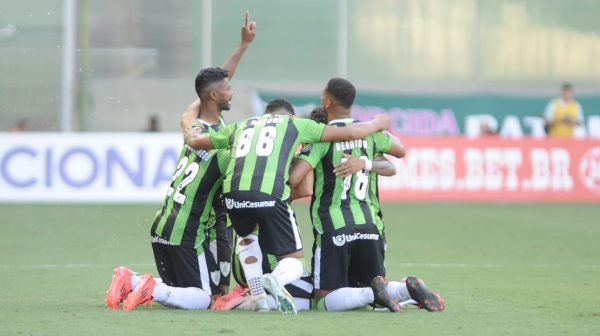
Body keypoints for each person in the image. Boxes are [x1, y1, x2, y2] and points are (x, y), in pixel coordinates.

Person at [182, 93, 391, 314]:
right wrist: (376, 123)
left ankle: (257, 294)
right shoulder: (296, 125)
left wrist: (189, 133)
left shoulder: (243, 125)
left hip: (233, 195)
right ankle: (272, 281)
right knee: (297, 266)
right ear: (291, 115)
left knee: (246, 236)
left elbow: (196, 141)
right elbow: (347, 135)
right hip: (270, 197)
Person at [104, 11, 256, 311]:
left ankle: (129, 279)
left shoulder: (192, 124)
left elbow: (209, 89)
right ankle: (149, 287)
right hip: (187, 234)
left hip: (162, 226)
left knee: (181, 293)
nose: (232, 90)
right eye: (227, 89)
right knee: (201, 300)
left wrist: (242, 46)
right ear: (214, 96)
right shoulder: (226, 148)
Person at [289, 77, 444, 313]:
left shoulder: (321, 136)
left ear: (328, 102)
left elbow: (295, 177)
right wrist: (366, 160)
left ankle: (374, 293)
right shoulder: (369, 133)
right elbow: (400, 151)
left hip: (334, 226)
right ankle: (405, 291)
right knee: (367, 289)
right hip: (370, 225)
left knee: (323, 300)